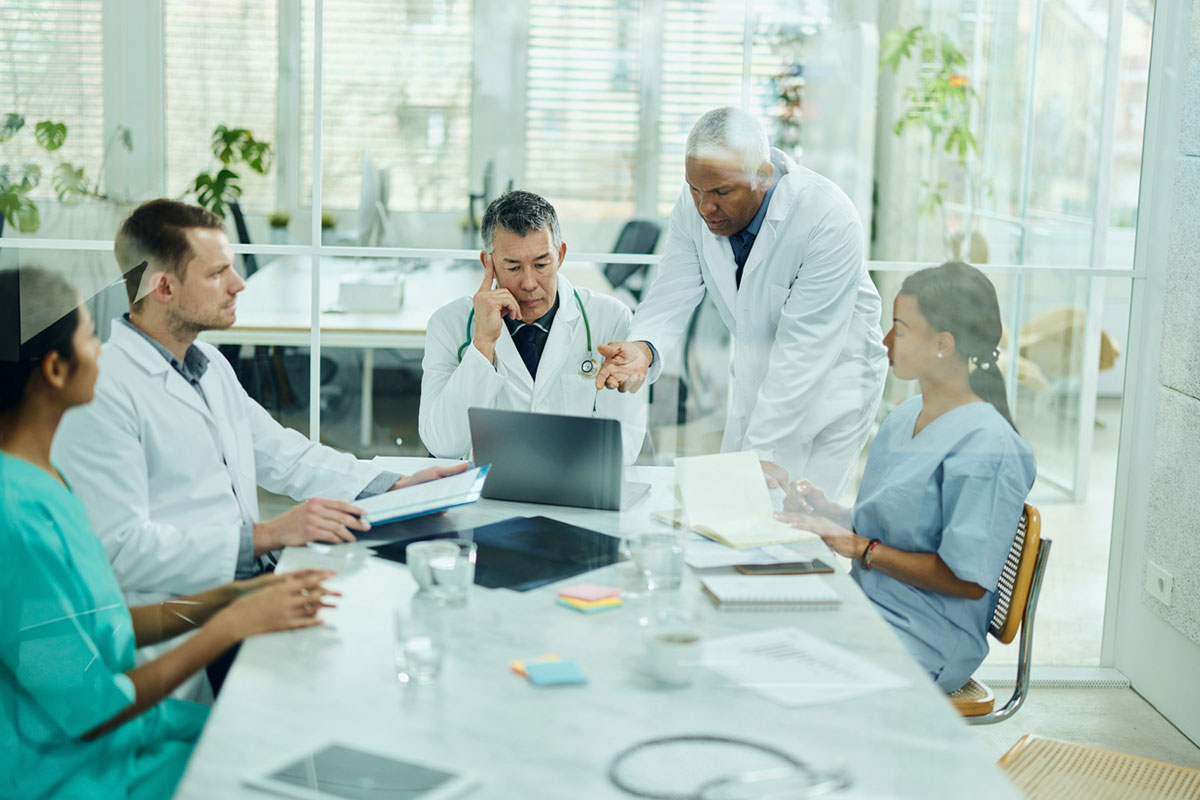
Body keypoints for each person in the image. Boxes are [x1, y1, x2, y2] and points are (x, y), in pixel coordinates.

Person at [51, 200, 464, 697]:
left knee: (390, 631)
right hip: (185, 627)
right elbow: (119, 550)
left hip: (246, 590)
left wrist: (394, 485)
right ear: (163, 288)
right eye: (218, 273)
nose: (239, 284)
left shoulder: (208, 364)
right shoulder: (102, 392)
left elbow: (285, 455)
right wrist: (265, 536)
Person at [0, 267, 338, 800]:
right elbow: (88, 708)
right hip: (72, 772)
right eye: (91, 337)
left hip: (120, 737)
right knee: (278, 762)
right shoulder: (14, 521)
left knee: (286, 740)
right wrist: (228, 628)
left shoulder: (45, 479)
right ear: (56, 369)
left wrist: (234, 598)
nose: (103, 349)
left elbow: (104, 627)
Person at [593, 107, 888, 498]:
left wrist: (759, 454)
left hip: (833, 388)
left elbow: (804, 352)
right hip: (759, 378)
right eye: (695, 189)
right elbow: (672, 288)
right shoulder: (695, 204)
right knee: (736, 509)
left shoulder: (827, 218)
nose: (705, 206)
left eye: (721, 192)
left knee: (803, 517)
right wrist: (644, 347)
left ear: (762, 176)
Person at [778, 262, 1036, 693]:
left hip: (926, 638)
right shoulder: (905, 416)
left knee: (774, 664)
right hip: (868, 606)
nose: (885, 341)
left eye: (899, 328)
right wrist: (829, 514)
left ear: (943, 343)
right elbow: (896, 526)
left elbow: (967, 579)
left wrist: (859, 547)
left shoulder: (989, 445)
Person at [419, 190, 647, 463]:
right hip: (486, 486)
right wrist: (482, 346)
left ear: (560, 256)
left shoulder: (611, 319)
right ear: (488, 263)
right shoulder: (449, 324)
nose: (528, 283)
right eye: (513, 267)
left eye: (541, 264)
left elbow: (623, 444)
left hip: (574, 485)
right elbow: (444, 445)